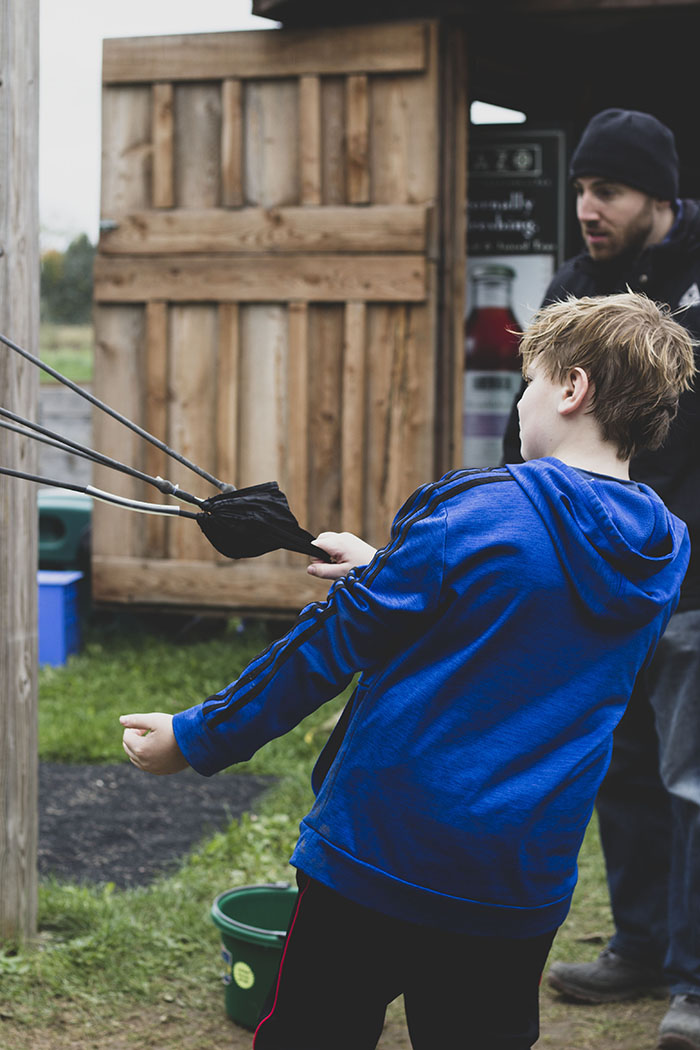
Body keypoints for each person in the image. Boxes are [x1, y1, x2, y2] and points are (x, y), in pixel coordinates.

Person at [121, 292, 693, 1050]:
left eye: (530, 381)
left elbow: (326, 647)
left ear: (571, 388)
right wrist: (389, 570)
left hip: (381, 855)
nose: (521, 401)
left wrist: (196, 737)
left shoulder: (475, 510)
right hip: (518, 881)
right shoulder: (663, 548)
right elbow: (529, 621)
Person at [501, 108, 700, 1050]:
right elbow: (526, 428)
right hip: (590, 588)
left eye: (607, 190)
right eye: (581, 188)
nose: (587, 206)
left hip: (690, 582)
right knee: (618, 768)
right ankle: (640, 944)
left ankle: (696, 980)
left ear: (657, 197)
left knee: (692, 775)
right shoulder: (575, 285)